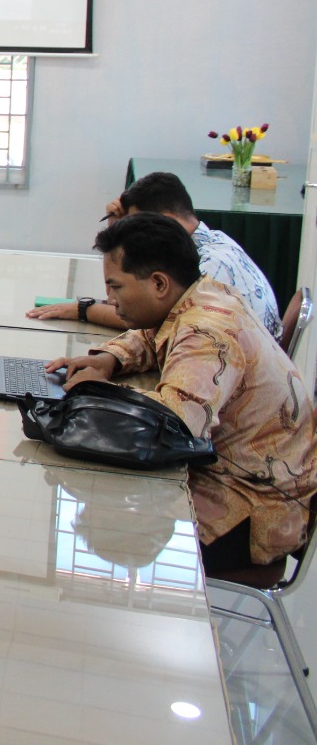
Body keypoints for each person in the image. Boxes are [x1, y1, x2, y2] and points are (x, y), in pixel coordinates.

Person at [48, 213, 317, 573]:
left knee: (106, 517)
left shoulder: (207, 332)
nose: (109, 300)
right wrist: (110, 359)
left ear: (159, 283)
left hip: (253, 508)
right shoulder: (201, 293)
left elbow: (169, 427)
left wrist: (94, 393)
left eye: (116, 287)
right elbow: (154, 332)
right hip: (241, 478)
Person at [27, 171, 281, 339]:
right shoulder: (210, 241)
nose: (138, 234)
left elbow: (148, 320)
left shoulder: (209, 268)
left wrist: (83, 310)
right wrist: (117, 231)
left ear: (165, 221)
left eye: (139, 223)